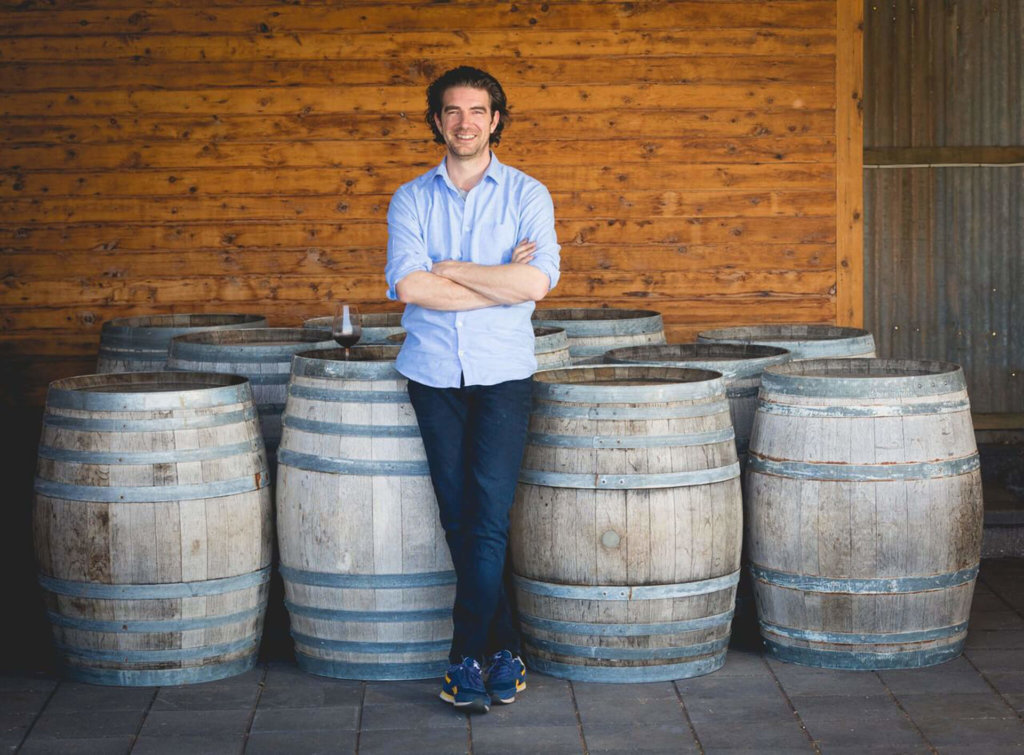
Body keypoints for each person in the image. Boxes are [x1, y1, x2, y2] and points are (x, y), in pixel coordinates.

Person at [384, 66, 560, 714]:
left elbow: (537, 283)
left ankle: (464, 659)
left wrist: (452, 271)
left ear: (495, 119)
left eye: (477, 111)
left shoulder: (527, 194)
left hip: (504, 376)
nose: (464, 122)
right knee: (460, 519)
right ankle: (507, 649)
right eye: (452, 111)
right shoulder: (410, 200)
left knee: (484, 519)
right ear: (437, 121)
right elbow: (409, 285)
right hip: (432, 377)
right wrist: (494, 281)